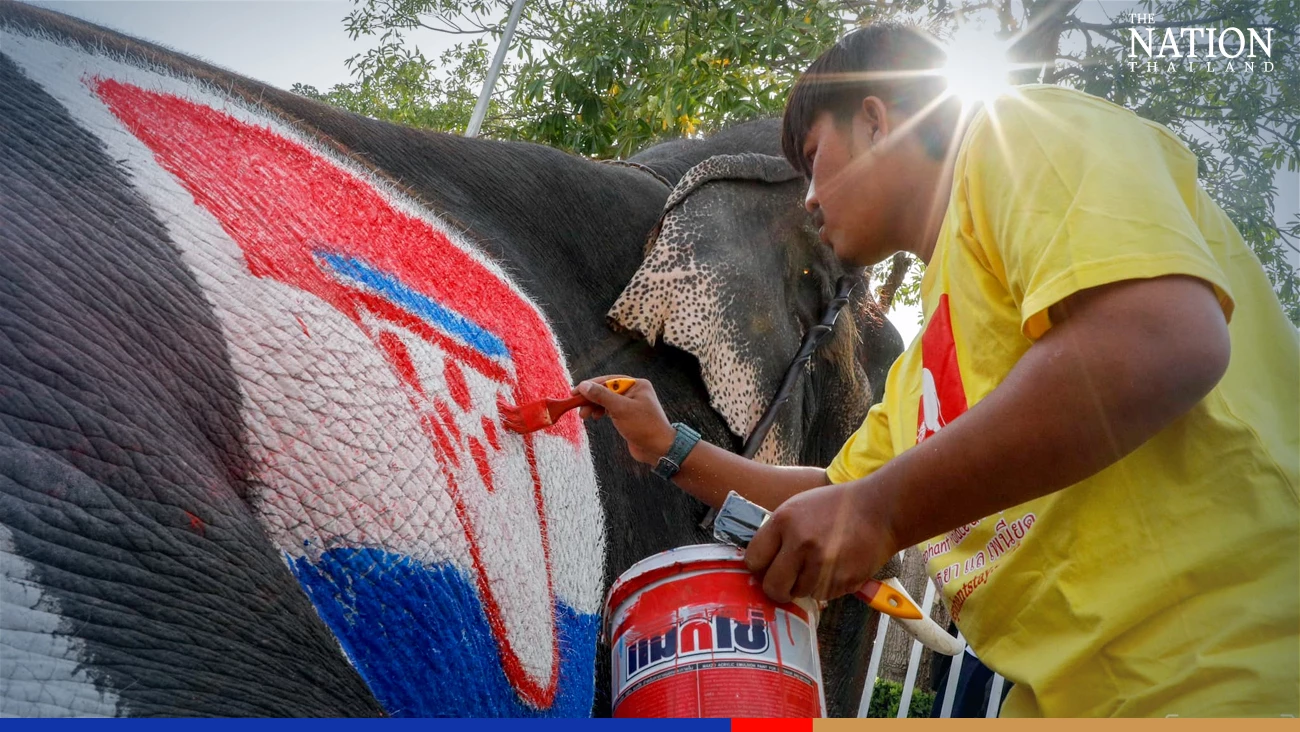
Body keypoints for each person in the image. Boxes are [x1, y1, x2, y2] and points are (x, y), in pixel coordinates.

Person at [574, 22, 1299, 717]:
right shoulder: (922, 366)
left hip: (1225, 670)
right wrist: (665, 445)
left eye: (815, 159)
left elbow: (1159, 338)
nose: (811, 200)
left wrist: (879, 511)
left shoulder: (1022, 136)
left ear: (876, 119)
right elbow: (832, 493)